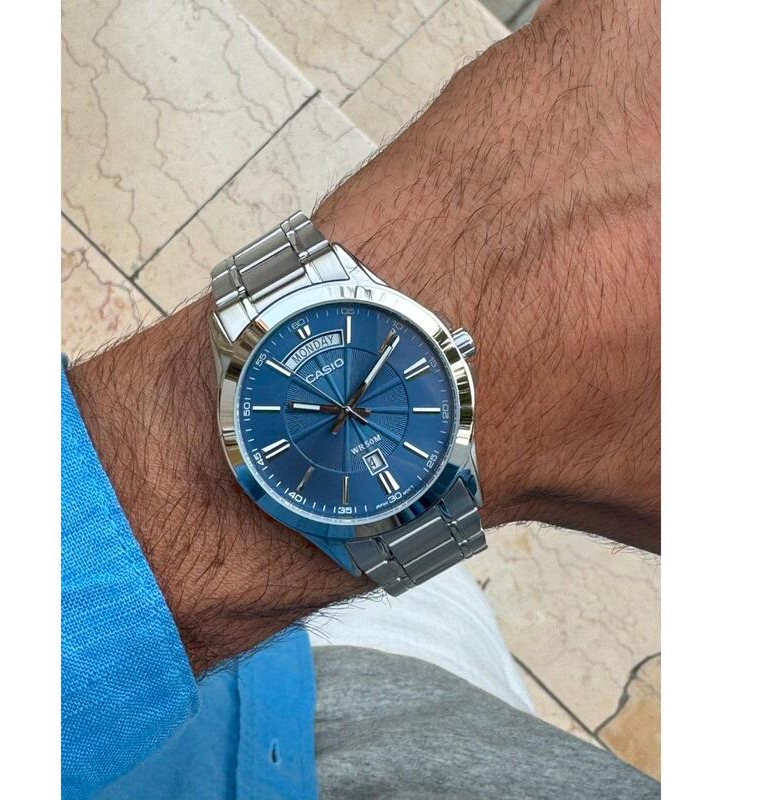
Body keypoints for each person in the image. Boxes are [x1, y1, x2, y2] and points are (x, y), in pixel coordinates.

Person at [61, 0, 660, 797]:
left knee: (429, 589)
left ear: (453, 356)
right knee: (435, 603)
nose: (349, 408)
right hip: (379, 676)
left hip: (324, 644)